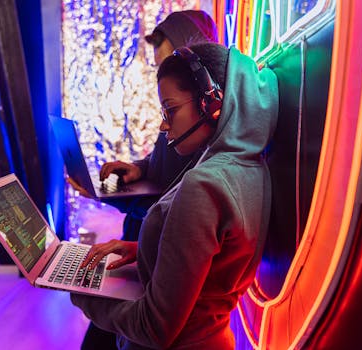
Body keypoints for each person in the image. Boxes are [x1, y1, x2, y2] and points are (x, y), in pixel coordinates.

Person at [71, 42, 279, 349]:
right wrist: (144, 251)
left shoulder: (205, 185)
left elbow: (153, 328)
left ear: (212, 102)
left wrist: (81, 291)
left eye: (171, 109)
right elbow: (209, 267)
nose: (164, 124)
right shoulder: (248, 168)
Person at [76, 10, 219, 349]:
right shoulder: (179, 118)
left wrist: (109, 200)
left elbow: (172, 207)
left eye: (169, 62)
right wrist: (139, 169)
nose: (164, 125)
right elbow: (161, 163)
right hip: (142, 249)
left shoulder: (208, 151)